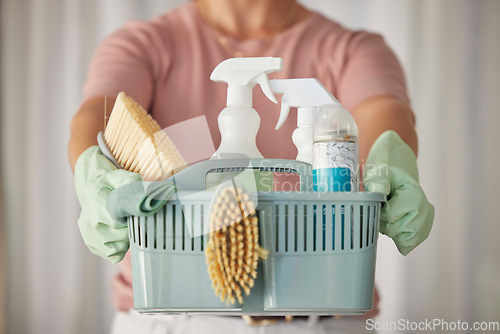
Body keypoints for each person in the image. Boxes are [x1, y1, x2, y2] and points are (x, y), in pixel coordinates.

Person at [69, 0, 434, 333]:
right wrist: (95, 174)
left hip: (325, 314)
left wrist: (389, 162)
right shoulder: (145, 44)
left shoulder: (353, 49)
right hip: (169, 316)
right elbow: (98, 113)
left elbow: (383, 116)